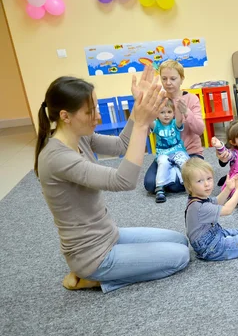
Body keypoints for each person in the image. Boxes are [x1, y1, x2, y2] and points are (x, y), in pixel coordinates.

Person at [35, 66, 191, 293]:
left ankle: (108, 272)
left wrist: (138, 109)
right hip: (93, 256)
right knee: (181, 257)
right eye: (90, 111)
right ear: (65, 116)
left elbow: (121, 145)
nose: (98, 115)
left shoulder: (80, 137)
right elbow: (124, 181)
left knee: (180, 240)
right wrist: (141, 123)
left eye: (96, 107)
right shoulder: (57, 158)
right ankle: (94, 278)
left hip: (109, 235)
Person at [143, 59, 205, 193]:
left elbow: (199, 129)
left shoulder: (191, 99)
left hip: (190, 153)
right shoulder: (158, 100)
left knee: (174, 185)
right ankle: (179, 176)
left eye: (173, 78)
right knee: (149, 184)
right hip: (165, 154)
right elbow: (146, 132)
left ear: (181, 79)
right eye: (164, 79)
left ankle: (176, 177)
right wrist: (146, 113)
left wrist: (186, 112)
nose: (168, 83)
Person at [151, 99, 190, 203]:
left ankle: (190, 184)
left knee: (184, 162)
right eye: (162, 112)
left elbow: (179, 120)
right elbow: (148, 121)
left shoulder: (174, 123)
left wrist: (180, 110)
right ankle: (160, 188)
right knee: (163, 163)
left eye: (169, 112)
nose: (166, 115)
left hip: (177, 150)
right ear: (157, 114)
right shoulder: (156, 125)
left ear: (173, 113)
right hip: (163, 153)